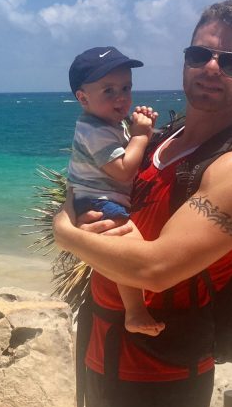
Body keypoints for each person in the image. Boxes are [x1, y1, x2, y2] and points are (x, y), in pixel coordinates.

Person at [53, 0, 232, 407]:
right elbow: (91, 186)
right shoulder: (161, 141)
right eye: (200, 55)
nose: (212, 67)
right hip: (103, 349)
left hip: (162, 370)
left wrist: (65, 232)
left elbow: (153, 270)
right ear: (185, 60)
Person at [66, 46, 163, 336]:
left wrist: (143, 129)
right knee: (131, 248)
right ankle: (135, 311)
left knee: (130, 249)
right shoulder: (93, 130)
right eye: (108, 90)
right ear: (83, 98)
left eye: (126, 88)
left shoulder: (109, 123)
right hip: (97, 202)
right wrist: (140, 136)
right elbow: (123, 170)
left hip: (99, 199)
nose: (121, 97)